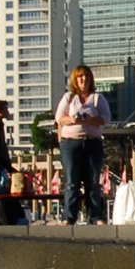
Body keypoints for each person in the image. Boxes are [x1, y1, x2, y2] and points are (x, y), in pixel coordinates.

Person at [54, 66, 110, 226]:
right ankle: (68, 217)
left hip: (92, 142)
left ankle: (95, 216)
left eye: (85, 77)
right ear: (75, 80)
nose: (83, 80)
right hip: (71, 143)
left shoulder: (97, 98)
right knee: (72, 181)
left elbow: (106, 118)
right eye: (79, 77)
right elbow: (59, 118)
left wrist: (89, 119)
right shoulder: (69, 97)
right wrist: (74, 119)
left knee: (92, 181)